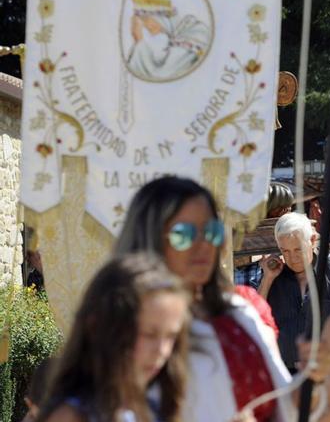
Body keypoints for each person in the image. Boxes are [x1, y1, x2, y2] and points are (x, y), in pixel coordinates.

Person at [114, 176, 298, 421]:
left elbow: (283, 406)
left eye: (212, 232)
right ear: (150, 237)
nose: (203, 246)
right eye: (184, 234)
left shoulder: (241, 312)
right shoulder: (123, 326)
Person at [37, 254, 189, 422]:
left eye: (171, 336)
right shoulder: (71, 417)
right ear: (102, 328)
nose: (162, 350)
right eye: (149, 334)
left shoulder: (155, 409)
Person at [259, 211, 330, 372]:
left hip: (328, 374)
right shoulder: (273, 279)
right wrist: (267, 279)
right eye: (285, 251)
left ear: (312, 240)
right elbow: (255, 318)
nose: (292, 258)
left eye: (298, 249)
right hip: (284, 374)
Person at [126, 0, 211, 81]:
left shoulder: (193, 34)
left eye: (145, 19)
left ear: (159, 17)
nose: (144, 26)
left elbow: (163, 75)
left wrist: (139, 40)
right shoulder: (179, 35)